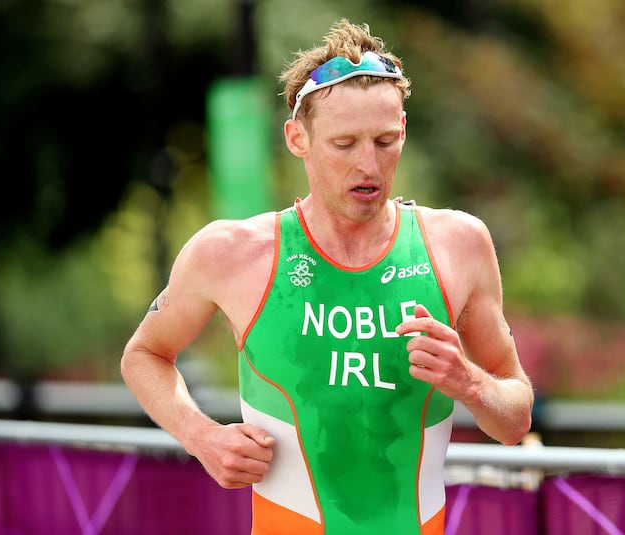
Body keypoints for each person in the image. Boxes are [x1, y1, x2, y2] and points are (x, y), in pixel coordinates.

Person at [121, 18, 533, 535]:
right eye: (345, 144)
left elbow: (515, 419)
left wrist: (469, 381)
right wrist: (201, 436)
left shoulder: (459, 244)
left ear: (403, 129)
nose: (370, 165)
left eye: (386, 141)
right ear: (298, 138)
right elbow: (143, 355)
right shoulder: (230, 253)